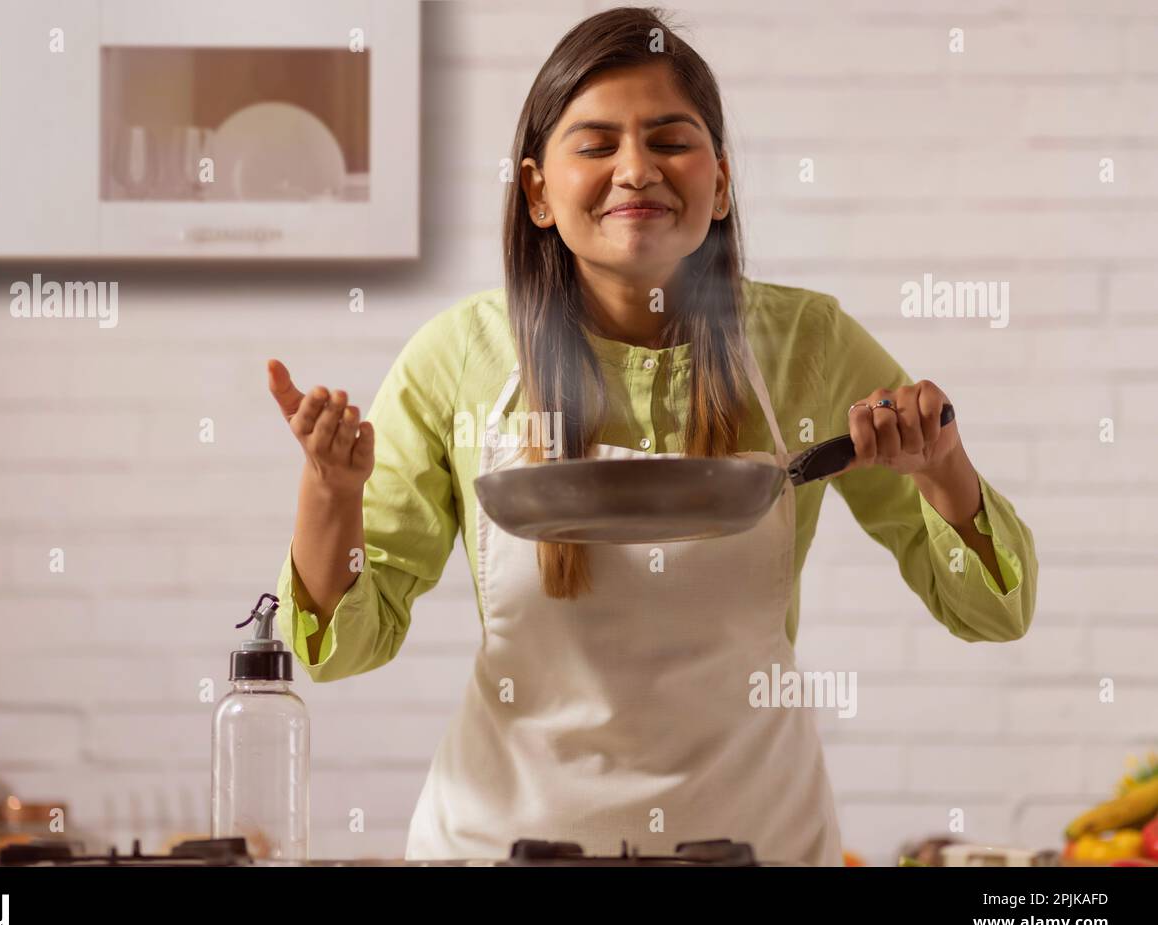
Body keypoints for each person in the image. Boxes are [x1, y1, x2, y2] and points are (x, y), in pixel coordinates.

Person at [265, 6, 1037, 865]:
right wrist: (329, 493)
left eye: (670, 140)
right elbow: (344, 647)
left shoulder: (807, 347)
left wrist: (943, 469)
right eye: (595, 146)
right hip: (497, 844)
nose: (636, 171)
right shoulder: (459, 359)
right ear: (536, 191)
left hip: (760, 841)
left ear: (722, 181)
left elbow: (992, 612)